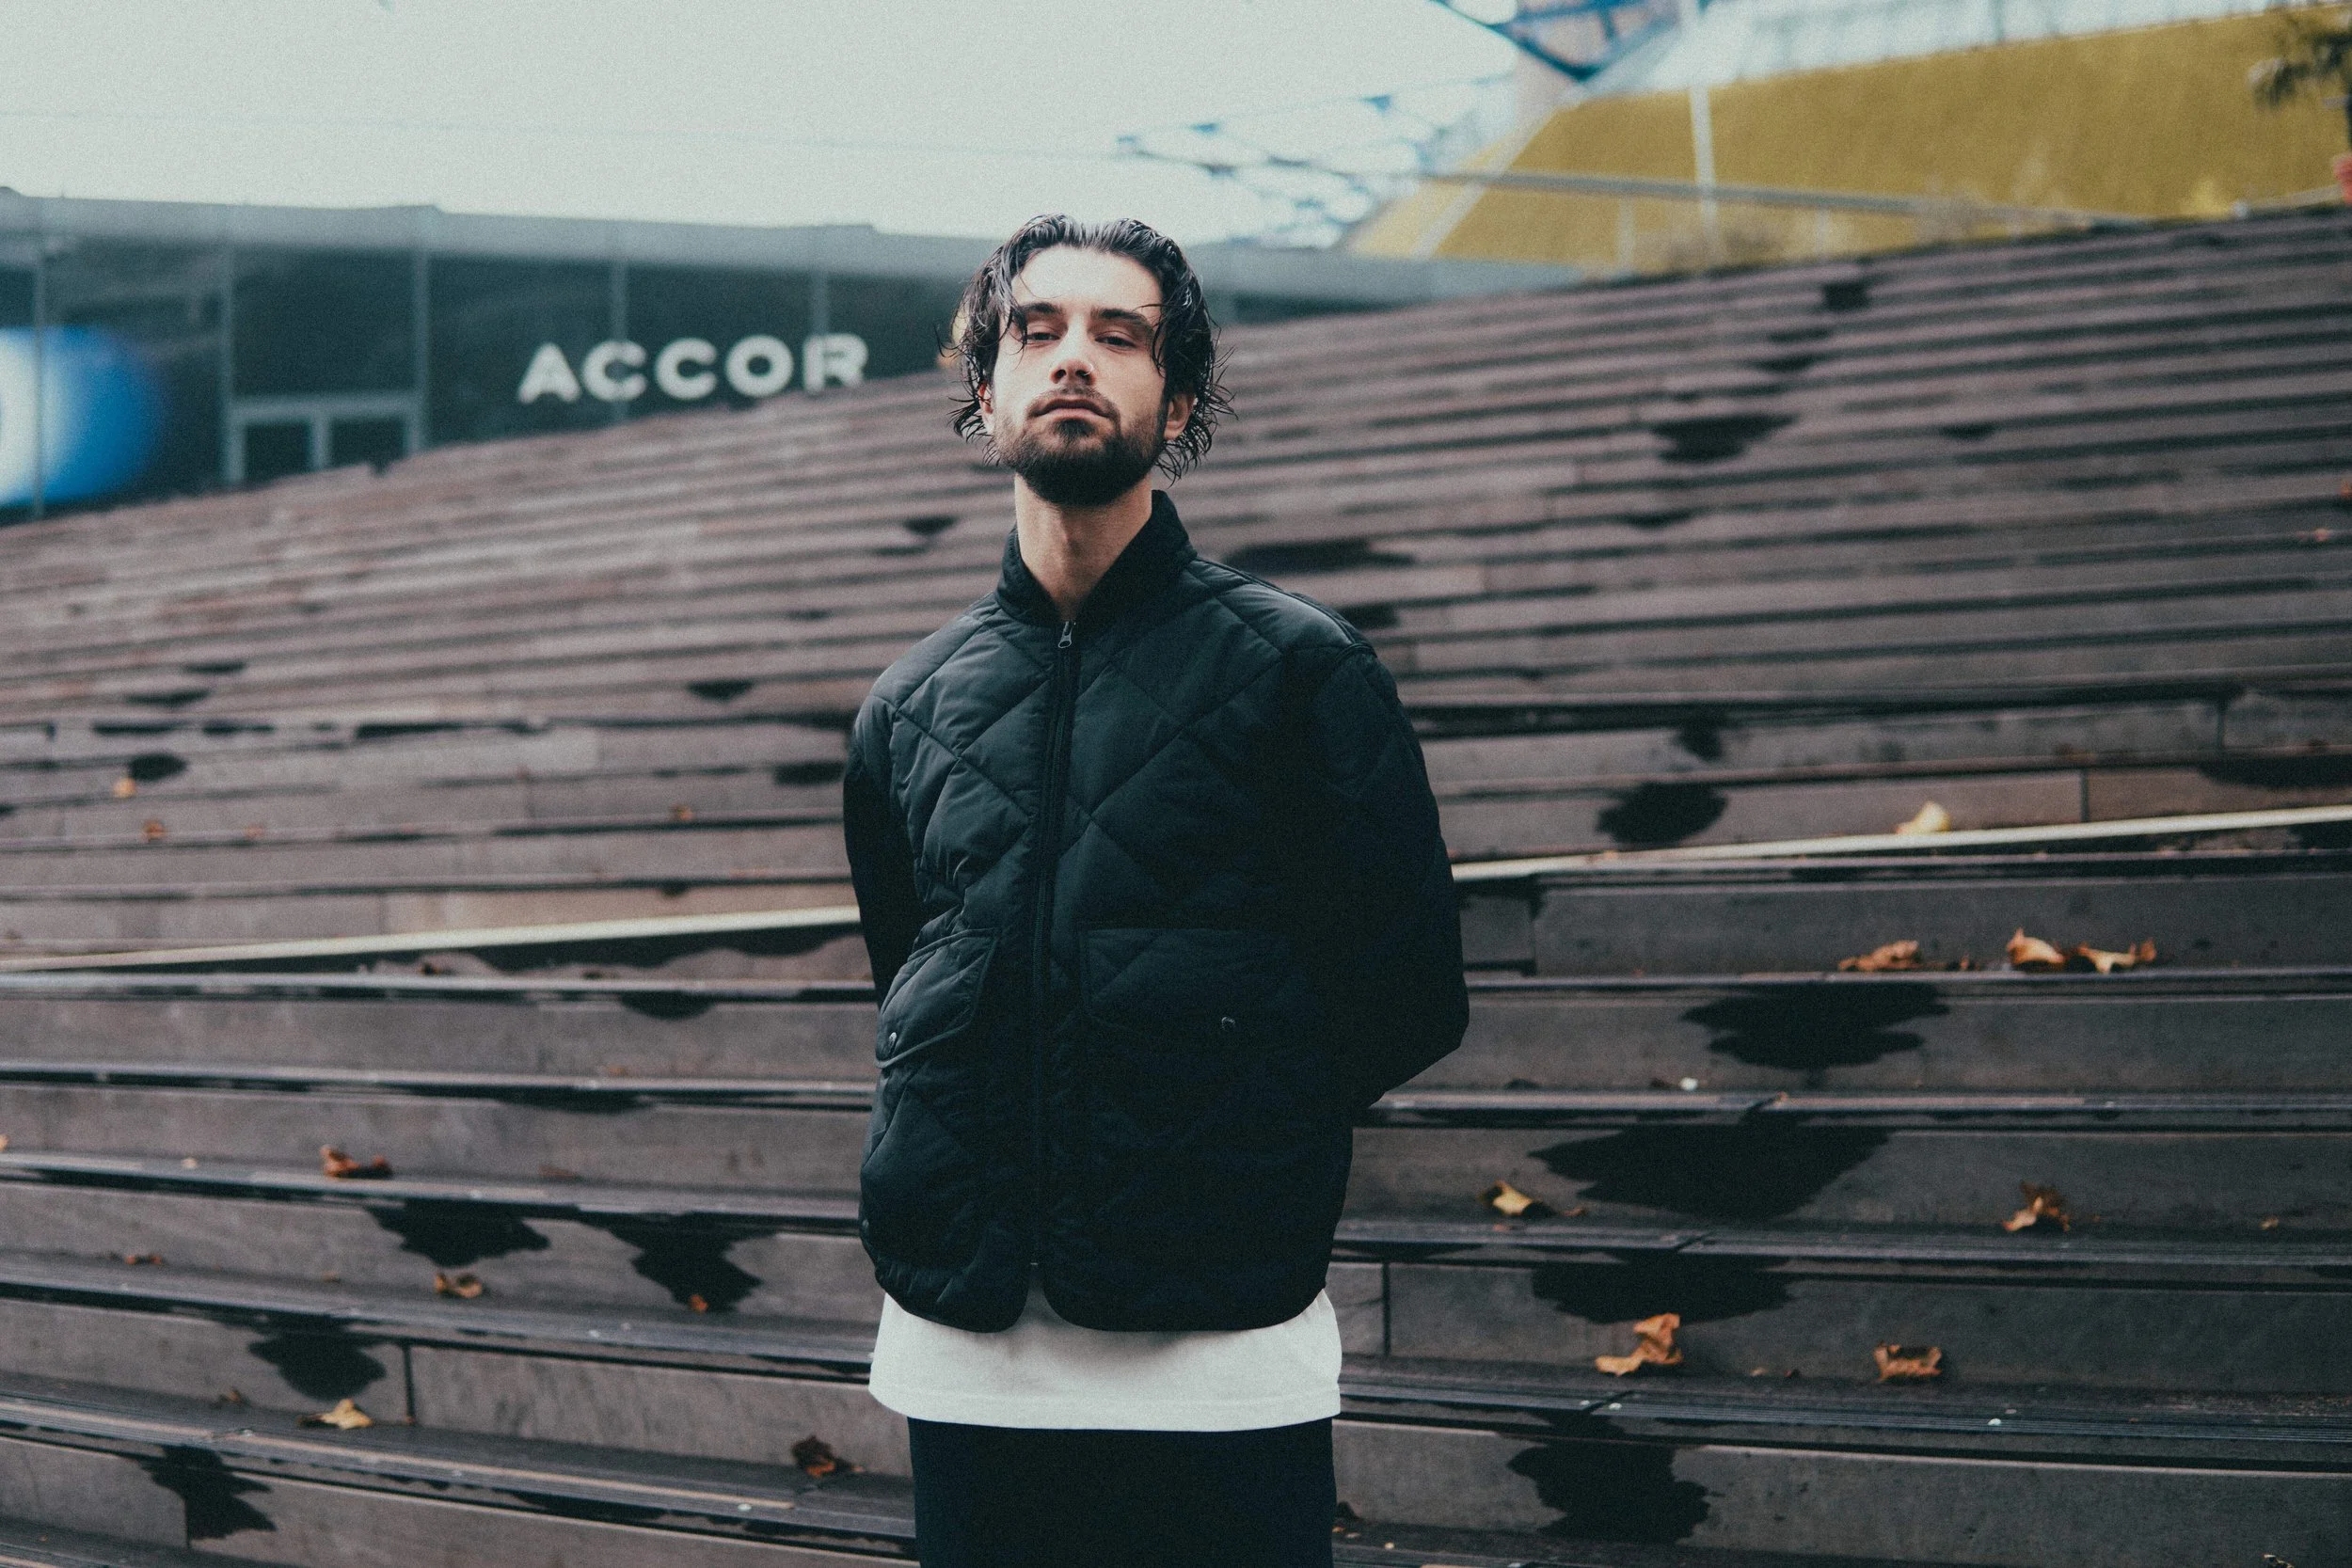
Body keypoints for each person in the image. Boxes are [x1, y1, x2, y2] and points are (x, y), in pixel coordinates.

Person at [841, 214, 1469, 1568]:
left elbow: (1408, 990)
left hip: (1218, 1346)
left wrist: (1223, 1131)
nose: (1075, 358)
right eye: (1038, 330)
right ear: (987, 387)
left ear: (1175, 400)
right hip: (965, 1346)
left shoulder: (1302, 671)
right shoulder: (905, 709)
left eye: (1119, 335)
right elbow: (914, 966)